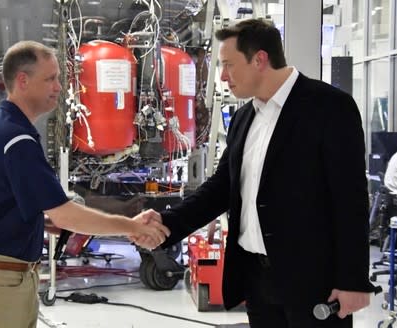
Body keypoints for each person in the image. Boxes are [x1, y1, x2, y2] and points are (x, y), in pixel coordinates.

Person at [135, 18, 375, 328]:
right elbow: (221, 189)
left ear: (259, 59)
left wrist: (353, 280)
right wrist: (167, 224)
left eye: (229, 65)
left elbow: (351, 199)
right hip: (257, 280)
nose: (222, 76)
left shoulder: (329, 108)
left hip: (314, 283)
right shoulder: (245, 117)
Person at [0, 40, 169, 328]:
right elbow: (65, 213)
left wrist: (47, 222)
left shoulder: (4, 126)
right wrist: (133, 228)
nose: (59, 87)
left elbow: (8, 208)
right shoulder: (15, 139)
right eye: (50, 79)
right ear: (23, 81)